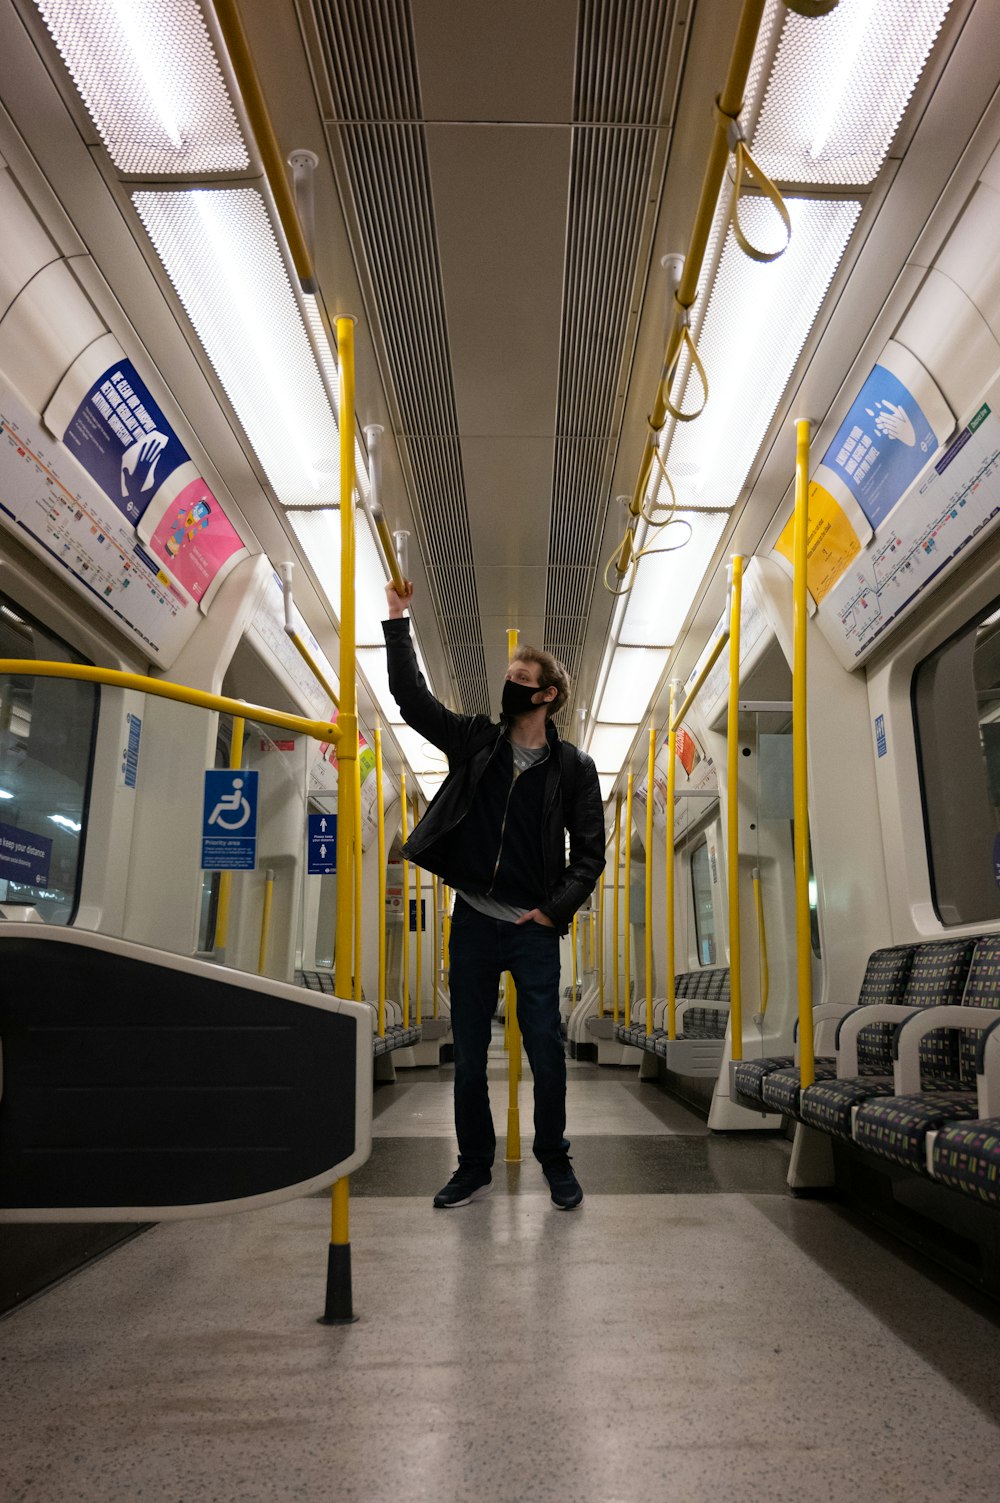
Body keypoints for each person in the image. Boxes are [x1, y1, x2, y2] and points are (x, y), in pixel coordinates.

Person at [383, 581, 605, 1211]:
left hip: (534, 927)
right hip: (474, 921)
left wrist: (552, 912)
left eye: (518, 678)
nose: (507, 686)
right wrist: (398, 622)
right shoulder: (477, 743)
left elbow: (591, 855)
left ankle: (555, 1160)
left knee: (545, 1049)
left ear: (547, 694)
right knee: (472, 1053)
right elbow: (413, 701)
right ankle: (473, 1164)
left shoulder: (574, 769)